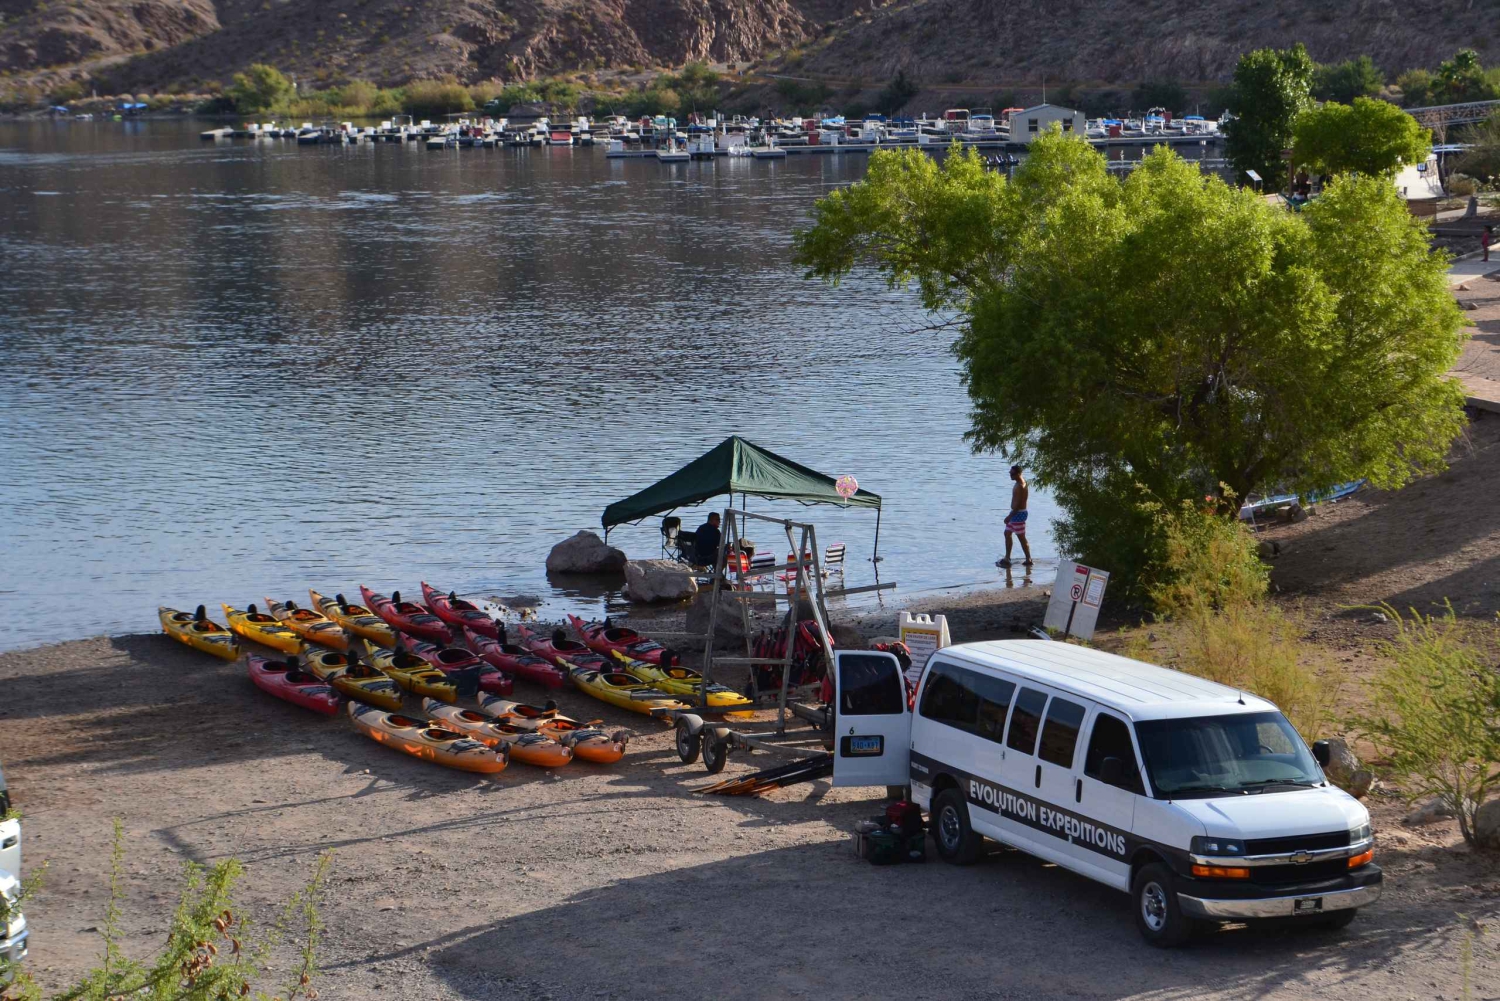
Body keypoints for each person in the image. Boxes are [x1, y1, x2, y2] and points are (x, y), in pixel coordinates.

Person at [997, 465, 1032, 568]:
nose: (1010, 475)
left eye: (1012, 474)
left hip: (1018, 514)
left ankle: (1028, 558)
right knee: (1007, 533)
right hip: (1017, 513)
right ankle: (1007, 558)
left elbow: (1017, 506)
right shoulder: (1021, 482)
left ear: (1018, 474)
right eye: (1009, 473)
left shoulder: (1020, 486)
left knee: (1021, 537)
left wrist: (1009, 516)